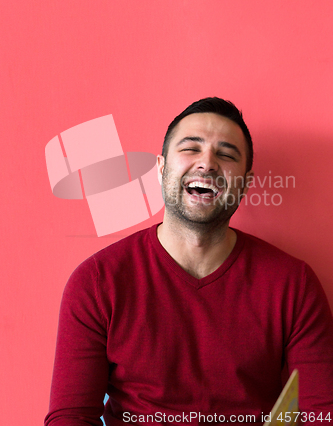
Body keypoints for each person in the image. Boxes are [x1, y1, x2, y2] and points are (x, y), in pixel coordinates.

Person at [45, 98, 333, 426]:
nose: (207, 164)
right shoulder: (97, 281)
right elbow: (70, 418)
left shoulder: (294, 284)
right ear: (161, 168)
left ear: (245, 183)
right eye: (191, 148)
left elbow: (321, 414)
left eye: (226, 154)